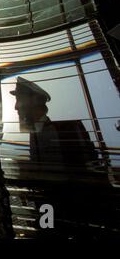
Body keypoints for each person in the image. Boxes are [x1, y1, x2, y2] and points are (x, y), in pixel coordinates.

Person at [10, 77, 115, 239]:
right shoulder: (35, 137)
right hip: (52, 214)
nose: (16, 107)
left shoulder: (68, 128)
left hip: (78, 216)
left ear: (35, 101)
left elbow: (89, 172)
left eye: (19, 100)